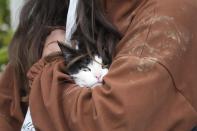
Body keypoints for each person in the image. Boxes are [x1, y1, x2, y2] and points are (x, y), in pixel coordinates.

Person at [0, 0, 197, 130]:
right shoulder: (57, 8)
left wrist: (50, 62)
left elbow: (113, 120)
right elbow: (8, 108)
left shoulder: (171, 9)